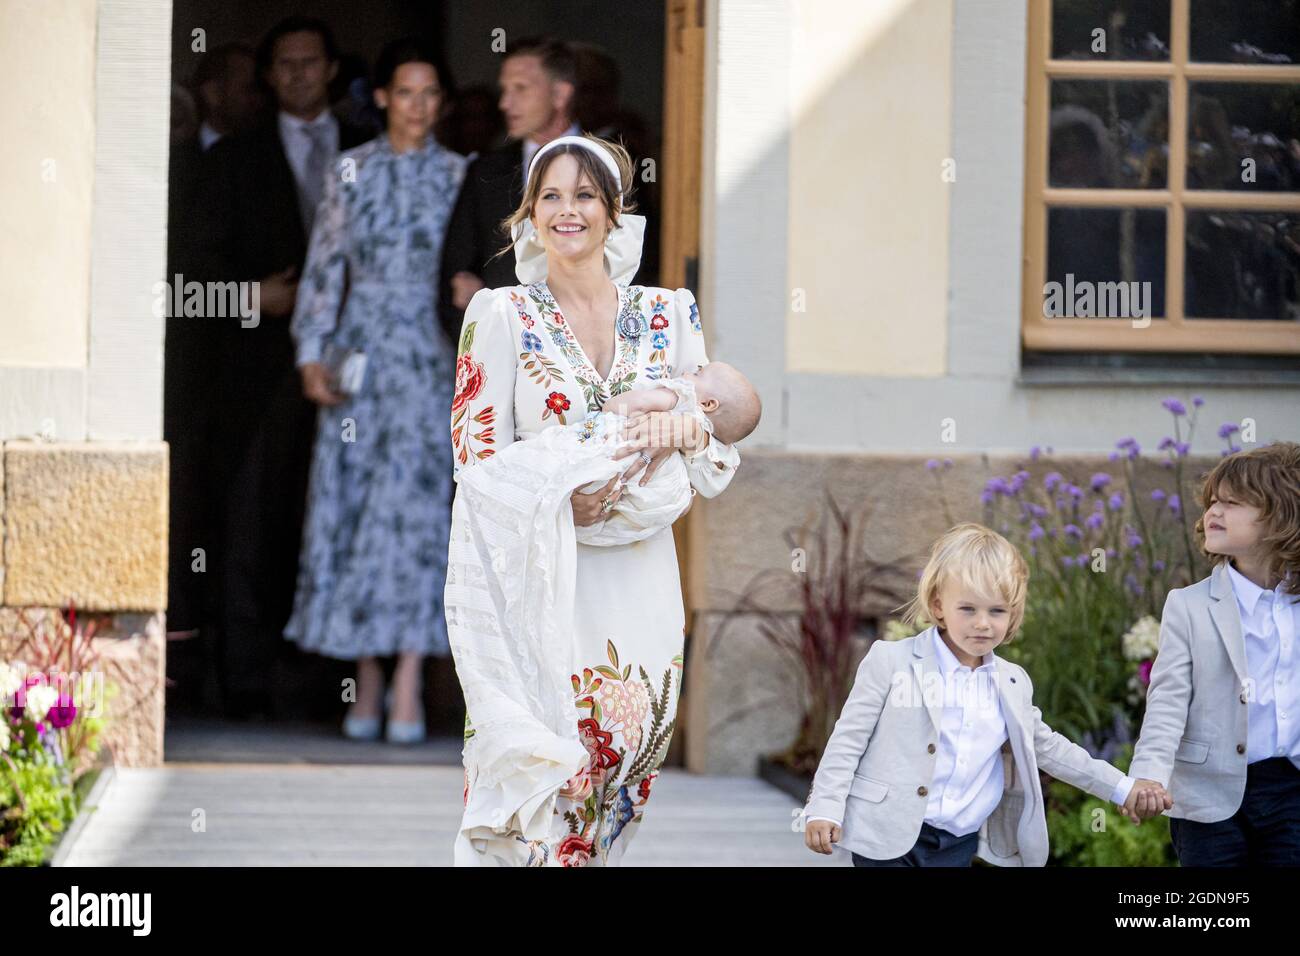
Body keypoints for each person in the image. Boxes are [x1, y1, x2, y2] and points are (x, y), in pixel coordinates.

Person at [446, 134, 745, 866]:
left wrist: (681, 433)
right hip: (543, 582)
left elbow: (713, 435)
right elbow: (474, 464)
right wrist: (553, 502)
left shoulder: (672, 313)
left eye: (584, 195)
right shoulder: (499, 314)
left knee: (624, 772)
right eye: (550, 195)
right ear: (529, 212)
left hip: (637, 581)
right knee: (545, 777)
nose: (566, 210)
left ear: (616, 213)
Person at [284, 37, 467, 744]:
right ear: (383, 97)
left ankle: (413, 680)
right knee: (359, 506)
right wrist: (309, 353)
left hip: (431, 358)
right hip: (359, 353)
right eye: (407, 92)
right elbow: (326, 265)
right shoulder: (350, 170)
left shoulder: (461, 174)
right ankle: (364, 678)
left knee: (422, 515)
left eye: (431, 94)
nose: (419, 106)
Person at [191, 16, 372, 719]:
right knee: (250, 521)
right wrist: (254, 300)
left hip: (352, 367)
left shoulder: (371, 149)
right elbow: (193, 274)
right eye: (284, 64)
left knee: (335, 517)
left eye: (310, 62)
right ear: (269, 76)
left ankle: (333, 683)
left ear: (331, 69)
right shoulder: (234, 158)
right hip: (256, 373)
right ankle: (246, 680)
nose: (298, 74)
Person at [803, 523, 1172, 866]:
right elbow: (848, 740)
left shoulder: (1011, 682)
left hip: (958, 841)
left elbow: (1050, 748)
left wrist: (1123, 788)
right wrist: (824, 807)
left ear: (1012, 617)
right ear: (938, 607)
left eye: (997, 611)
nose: (982, 623)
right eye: (968, 609)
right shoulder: (892, 660)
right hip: (886, 835)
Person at [1129, 441, 1300, 866]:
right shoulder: (1188, 605)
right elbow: (1166, 703)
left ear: (1280, 515)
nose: (1213, 513)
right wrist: (1147, 774)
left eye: (1231, 502)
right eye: (1211, 503)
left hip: (1292, 791)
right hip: (1209, 797)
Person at [438, 37, 582, 347]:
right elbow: (456, 275)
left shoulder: (610, 166)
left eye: (521, 89)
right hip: (502, 357)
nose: (505, 103)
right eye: (505, 90)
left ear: (560, 94)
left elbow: (636, 269)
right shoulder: (486, 172)